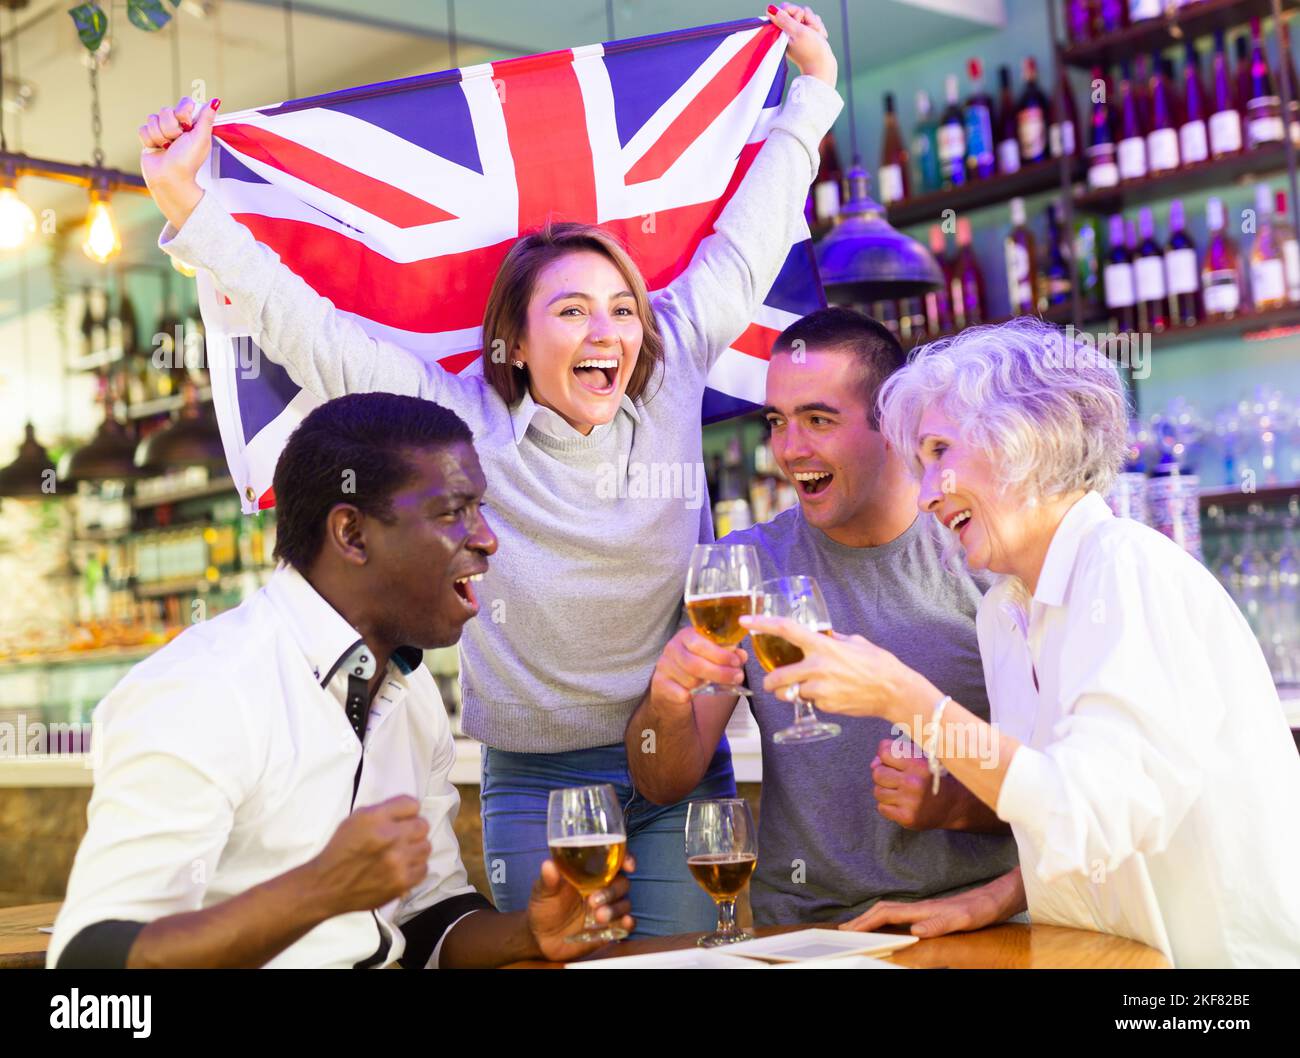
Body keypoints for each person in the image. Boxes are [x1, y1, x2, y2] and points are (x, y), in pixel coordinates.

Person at [133, 4, 842, 936]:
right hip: (534, 783)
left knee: (688, 965)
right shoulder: (461, 425)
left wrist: (813, 91)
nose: (609, 332)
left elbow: (751, 238)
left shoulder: (666, 368)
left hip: (676, 761)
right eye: (574, 312)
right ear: (511, 338)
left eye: (622, 308)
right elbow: (307, 328)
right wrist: (189, 204)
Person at [742, 317, 1300, 967]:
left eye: (940, 453)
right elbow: (1080, 821)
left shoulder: (1126, 571)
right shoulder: (1006, 612)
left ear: (1025, 442)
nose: (925, 496)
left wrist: (901, 697)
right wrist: (998, 896)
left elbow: (1084, 812)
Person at [49, 394, 636, 969]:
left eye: (480, 509)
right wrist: (321, 891)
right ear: (352, 534)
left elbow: (428, 916)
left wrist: (530, 936)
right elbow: (86, 968)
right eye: (454, 512)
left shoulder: (411, 694)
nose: (486, 540)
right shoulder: (202, 690)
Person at [627, 307, 1019, 928]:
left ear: (893, 423)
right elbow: (661, 781)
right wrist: (668, 704)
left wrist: (961, 804)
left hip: (978, 922)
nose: (790, 448)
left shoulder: (982, 557)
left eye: (818, 420)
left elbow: (1080, 791)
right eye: (778, 422)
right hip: (810, 933)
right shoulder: (742, 569)